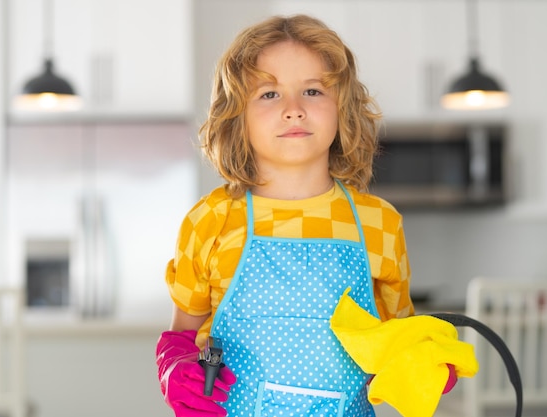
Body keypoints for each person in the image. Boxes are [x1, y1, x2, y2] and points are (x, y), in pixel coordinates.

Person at [156, 14, 417, 417]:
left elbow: (396, 341)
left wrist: (420, 360)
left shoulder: (379, 224)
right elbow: (184, 336)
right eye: (269, 94)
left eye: (313, 91)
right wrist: (173, 368)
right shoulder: (211, 220)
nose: (294, 110)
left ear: (341, 108)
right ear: (236, 116)